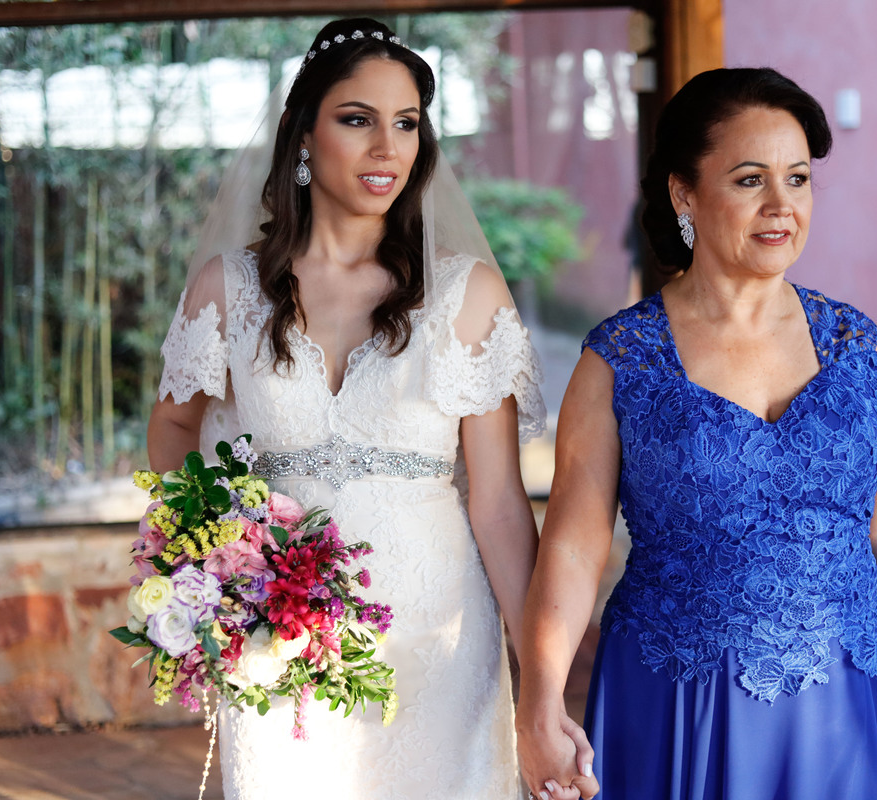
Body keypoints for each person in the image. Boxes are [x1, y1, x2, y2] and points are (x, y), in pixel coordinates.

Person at [516, 67, 877, 800]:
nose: (781, 206)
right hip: (680, 698)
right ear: (684, 194)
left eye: (798, 179)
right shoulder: (620, 359)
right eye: (750, 180)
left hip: (846, 700)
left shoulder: (856, 345)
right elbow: (573, 543)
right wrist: (540, 701)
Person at [147, 18, 548, 799]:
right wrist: (218, 553)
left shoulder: (465, 293)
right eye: (358, 120)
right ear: (304, 134)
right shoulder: (227, 289)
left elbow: (500, 501)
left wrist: (539, 675)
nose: (387, 148)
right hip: (279, 641)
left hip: (438, 639)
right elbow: (173, 429)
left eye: (407, 124)